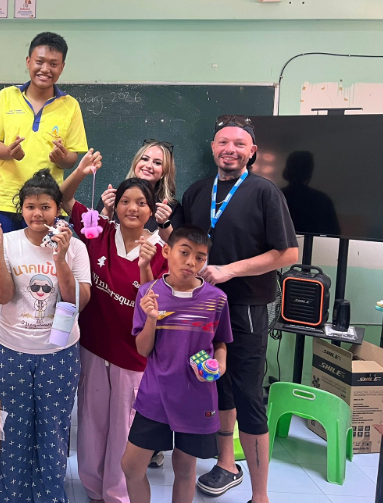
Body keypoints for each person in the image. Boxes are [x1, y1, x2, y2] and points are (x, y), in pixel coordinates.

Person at [172, 115, 298, 502]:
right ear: (212, 148)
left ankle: (261, 494)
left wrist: (229, 270)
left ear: (252, 152)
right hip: (201, 307)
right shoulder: (197, 191)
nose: (231, 149)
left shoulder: (264, 192)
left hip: (244, 306)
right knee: (216, 386)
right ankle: (226, 465)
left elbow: (288, 253)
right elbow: (180, 242)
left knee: (247, 394)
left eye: (240, 144)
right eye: (224, 142)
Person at [60, 151, 168, 503]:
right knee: (90, 424)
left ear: (153, 210)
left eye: (141, 203)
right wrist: (80, 170)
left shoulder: (162, 252)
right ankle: (92, 488)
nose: (132, 208)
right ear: (115, 205)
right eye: (125, 201)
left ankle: (116, 494)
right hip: (92, 347)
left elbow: (162, 308)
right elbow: (64, 199)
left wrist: (149, 269)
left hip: (131, 358)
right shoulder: (97, 231)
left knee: (124, 429)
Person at [0, 169, 91, 503]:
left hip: (58, 351)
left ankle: (49, 496)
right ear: (22, 209)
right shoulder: (9, 242)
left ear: (58, 209)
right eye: (30, 206)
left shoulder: (75, 248)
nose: (37, 214)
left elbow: (78, 302)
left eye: (45, 207)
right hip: (11, 348)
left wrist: (60, 259)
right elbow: (1, 296)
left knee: (52, 428)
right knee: (12, 429)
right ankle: (10, 496)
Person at [121, 226, 233, 503]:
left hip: (197, 397)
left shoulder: (216, 299)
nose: (191, 262)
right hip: (156, 394)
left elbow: (221, 343)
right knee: (131, 466)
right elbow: (143, 349)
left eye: (200, 257)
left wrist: (220, 365)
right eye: (184, 253)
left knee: (184, 469)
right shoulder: (149, 293)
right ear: (167, 251)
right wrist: (151, 318)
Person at [0, 32, 87, 232]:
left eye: (53, 64)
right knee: (7, 260)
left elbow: (72, 159)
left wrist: (61, 158)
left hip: (49, 204)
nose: (45, 69)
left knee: (44, 262)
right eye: (40, 61)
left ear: (62, 67)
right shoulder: (6, 96)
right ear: (28, 62)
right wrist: (8, 152)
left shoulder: (70, 105)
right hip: (6, 201)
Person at [101, 139, 179, 241]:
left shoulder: (172, 208)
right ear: (136, 163)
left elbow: (175, 247)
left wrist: (164, 222)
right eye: (145, 159)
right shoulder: (113, 197)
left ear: (164, 172)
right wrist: (107, 211)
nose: (148, 166)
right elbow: (95, 238)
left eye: (157, 163)